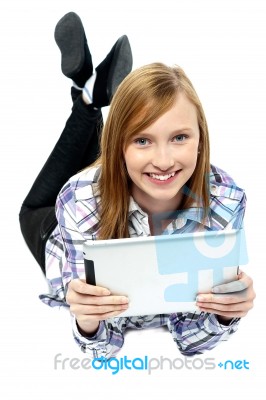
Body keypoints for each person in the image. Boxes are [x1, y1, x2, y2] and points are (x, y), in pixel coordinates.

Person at [19, 12, 255, 359]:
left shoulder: (226, 200)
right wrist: (87, 321)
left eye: (179, 137)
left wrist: (224, 314)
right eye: (142, 140)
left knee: (126, 158)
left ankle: (89, 95)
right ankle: (86, 99)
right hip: (52, 223)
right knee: (33, 205)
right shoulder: (78, 198)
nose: (163, 160)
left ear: (201, 140)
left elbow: (191, 340)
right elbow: (102, 346)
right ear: (117, 148)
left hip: (113, 180)